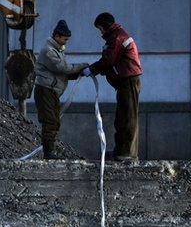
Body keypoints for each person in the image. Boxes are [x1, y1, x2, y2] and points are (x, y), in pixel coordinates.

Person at [85, 12, 143, 160]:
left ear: (105, 26)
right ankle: (121, 151)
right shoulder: (116, 36)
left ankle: (127, 153)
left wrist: (91, 69)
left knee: (128, 117)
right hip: (125, 81)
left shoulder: (117, 38)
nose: (100, 32)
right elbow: (109, 61)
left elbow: (108, 60)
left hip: (128, 80)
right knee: (122, 117)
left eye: (100, 29)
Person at [32, 20, 88, 159]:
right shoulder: (49, 51)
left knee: (54, 121)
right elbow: (62, 68)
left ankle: (50, 151)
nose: (66, 41)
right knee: (50, 121)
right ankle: (49, 153)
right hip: (46, 91)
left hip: (51, 91)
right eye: (65, 38)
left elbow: (61, 72)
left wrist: (76, 73)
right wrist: (81, 66)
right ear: (57, 36)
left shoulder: (57, 50)